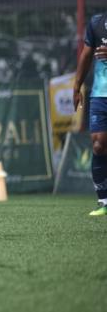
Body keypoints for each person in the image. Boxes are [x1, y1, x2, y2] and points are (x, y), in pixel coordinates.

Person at [73, 12, 107, 217]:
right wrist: (76, 86)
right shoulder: (96, 23)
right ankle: (103, 200)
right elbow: (86, 55)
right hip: (100, 94)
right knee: (98, 143)